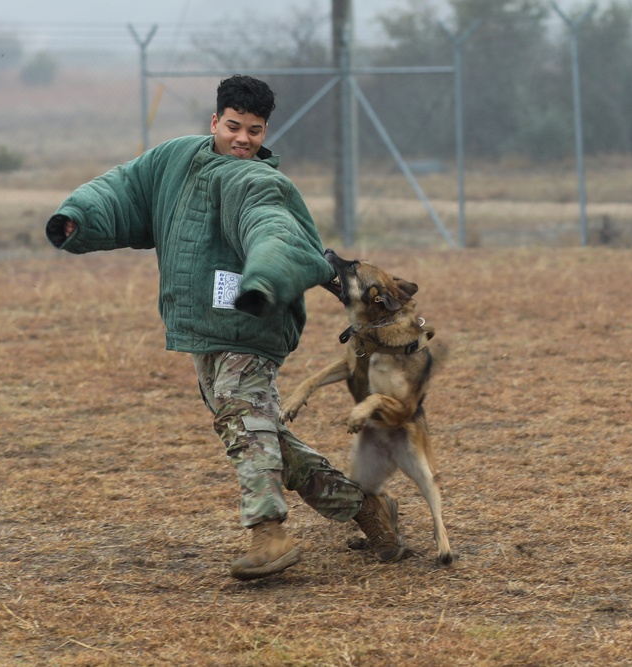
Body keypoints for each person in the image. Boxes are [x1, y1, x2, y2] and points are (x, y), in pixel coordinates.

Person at [45, 75, 405, 581]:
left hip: (254, 318)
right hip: (202, 325)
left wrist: (264, 280)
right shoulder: (174, 160)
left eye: (254, 131)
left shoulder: (259, 182)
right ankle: (366, 508)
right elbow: (125, 189)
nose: (243, 139)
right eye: (234, 126)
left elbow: (274, 235)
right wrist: (78, 219)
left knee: (243, 419)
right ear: (214, 121)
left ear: (265, 132)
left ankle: (269, 533)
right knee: (262, 433)